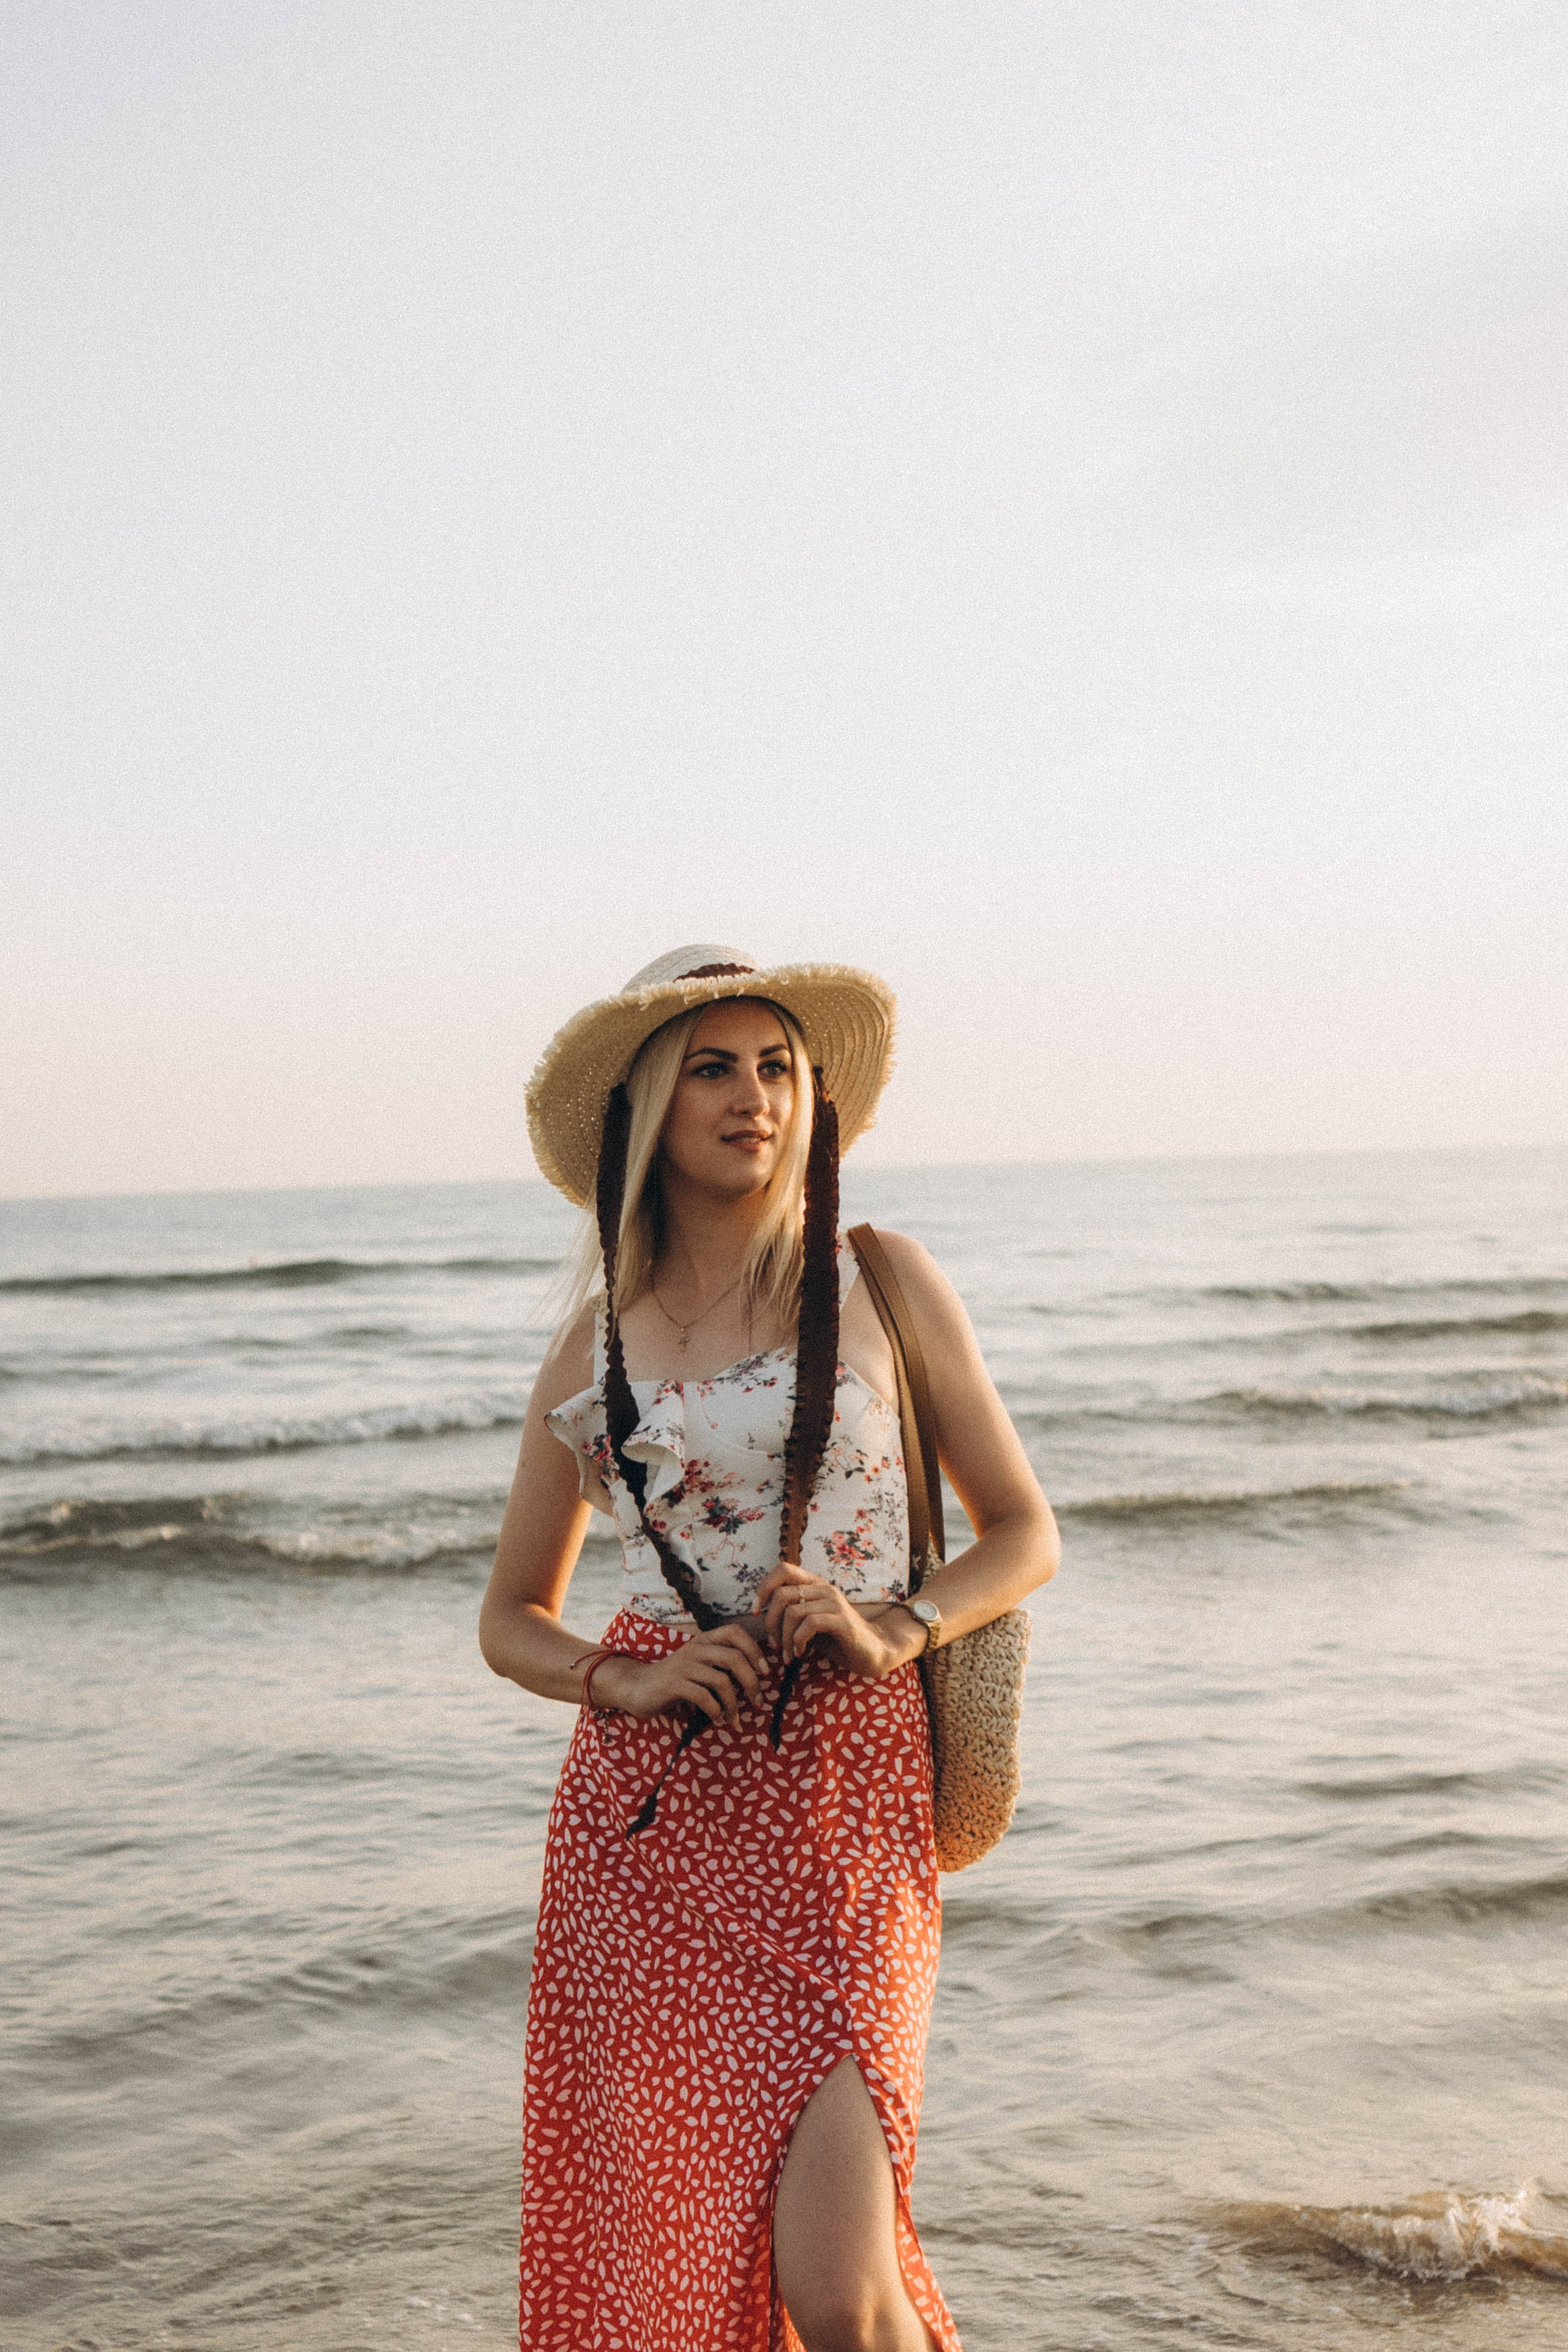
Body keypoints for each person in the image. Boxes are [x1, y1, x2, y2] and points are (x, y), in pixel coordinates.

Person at [480, 946, 1058, 2352]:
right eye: (714, 1067)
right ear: (645, 1111)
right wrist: (628, 1676)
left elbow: (1022, 1531)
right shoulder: (592, 1344)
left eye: (778, 1066)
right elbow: (510, 1617)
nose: (755, 1097)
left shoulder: (880, 1279)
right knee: (675, 2265)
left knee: (838, 2287)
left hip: (847, 1796)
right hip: (652, 1829)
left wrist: (895, 1623)